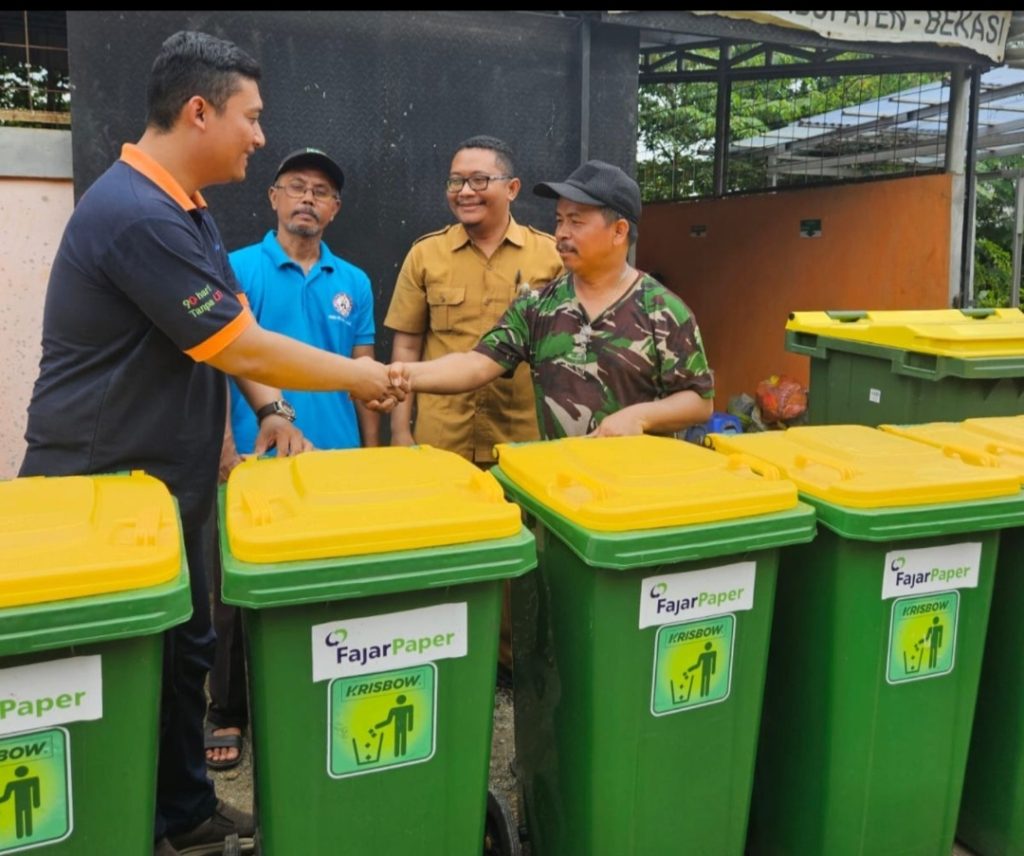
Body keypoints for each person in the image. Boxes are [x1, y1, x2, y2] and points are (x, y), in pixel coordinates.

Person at [18, 31, 400, 856]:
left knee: (185, 644)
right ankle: (112, 825)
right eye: (252, 118)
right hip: (100, 485)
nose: (259, 137)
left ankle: (183, 814)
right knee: (109, 669)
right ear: (200, 111)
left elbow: (236, 329)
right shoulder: (133, 213)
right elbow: (241, 346)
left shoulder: (185, 210)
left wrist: (273, 412)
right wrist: (357, 378)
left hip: (163, 484)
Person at [205, 146, 378, 770]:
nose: (308, 198)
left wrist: (374, 455)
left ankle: (319, 693)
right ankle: (227, 711)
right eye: (296, 187)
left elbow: (362, 375)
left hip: (338, 458)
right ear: (272, 196)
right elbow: (217, 361)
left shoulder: (354, 281)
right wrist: (225, 444)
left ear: (334, 210)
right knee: (238, 590)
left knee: (332, 584)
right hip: (258, 455)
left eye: (322, 192)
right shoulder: (234, 267)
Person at [384, 135, 562, 679]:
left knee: (521, 553)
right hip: (444, 436)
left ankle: (511, 663)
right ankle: (448, 659)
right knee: (443, 550)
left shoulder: (549, 255)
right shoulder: (426, 254)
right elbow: (406, 347)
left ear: (510, 187)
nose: (465, 191)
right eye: (456, 181)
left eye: (478, 180)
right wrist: (398, 431)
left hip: (521, 436)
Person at [388, 159, 714, 440]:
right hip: (559, 484)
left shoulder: (662, 310)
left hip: (635, 494)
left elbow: (699, 401)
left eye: (576, 221)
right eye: (559, 220)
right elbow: (475, 365)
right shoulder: (537, 306)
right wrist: (400, 376)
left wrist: (640, 417)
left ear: (618, 232)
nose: (561, 233)